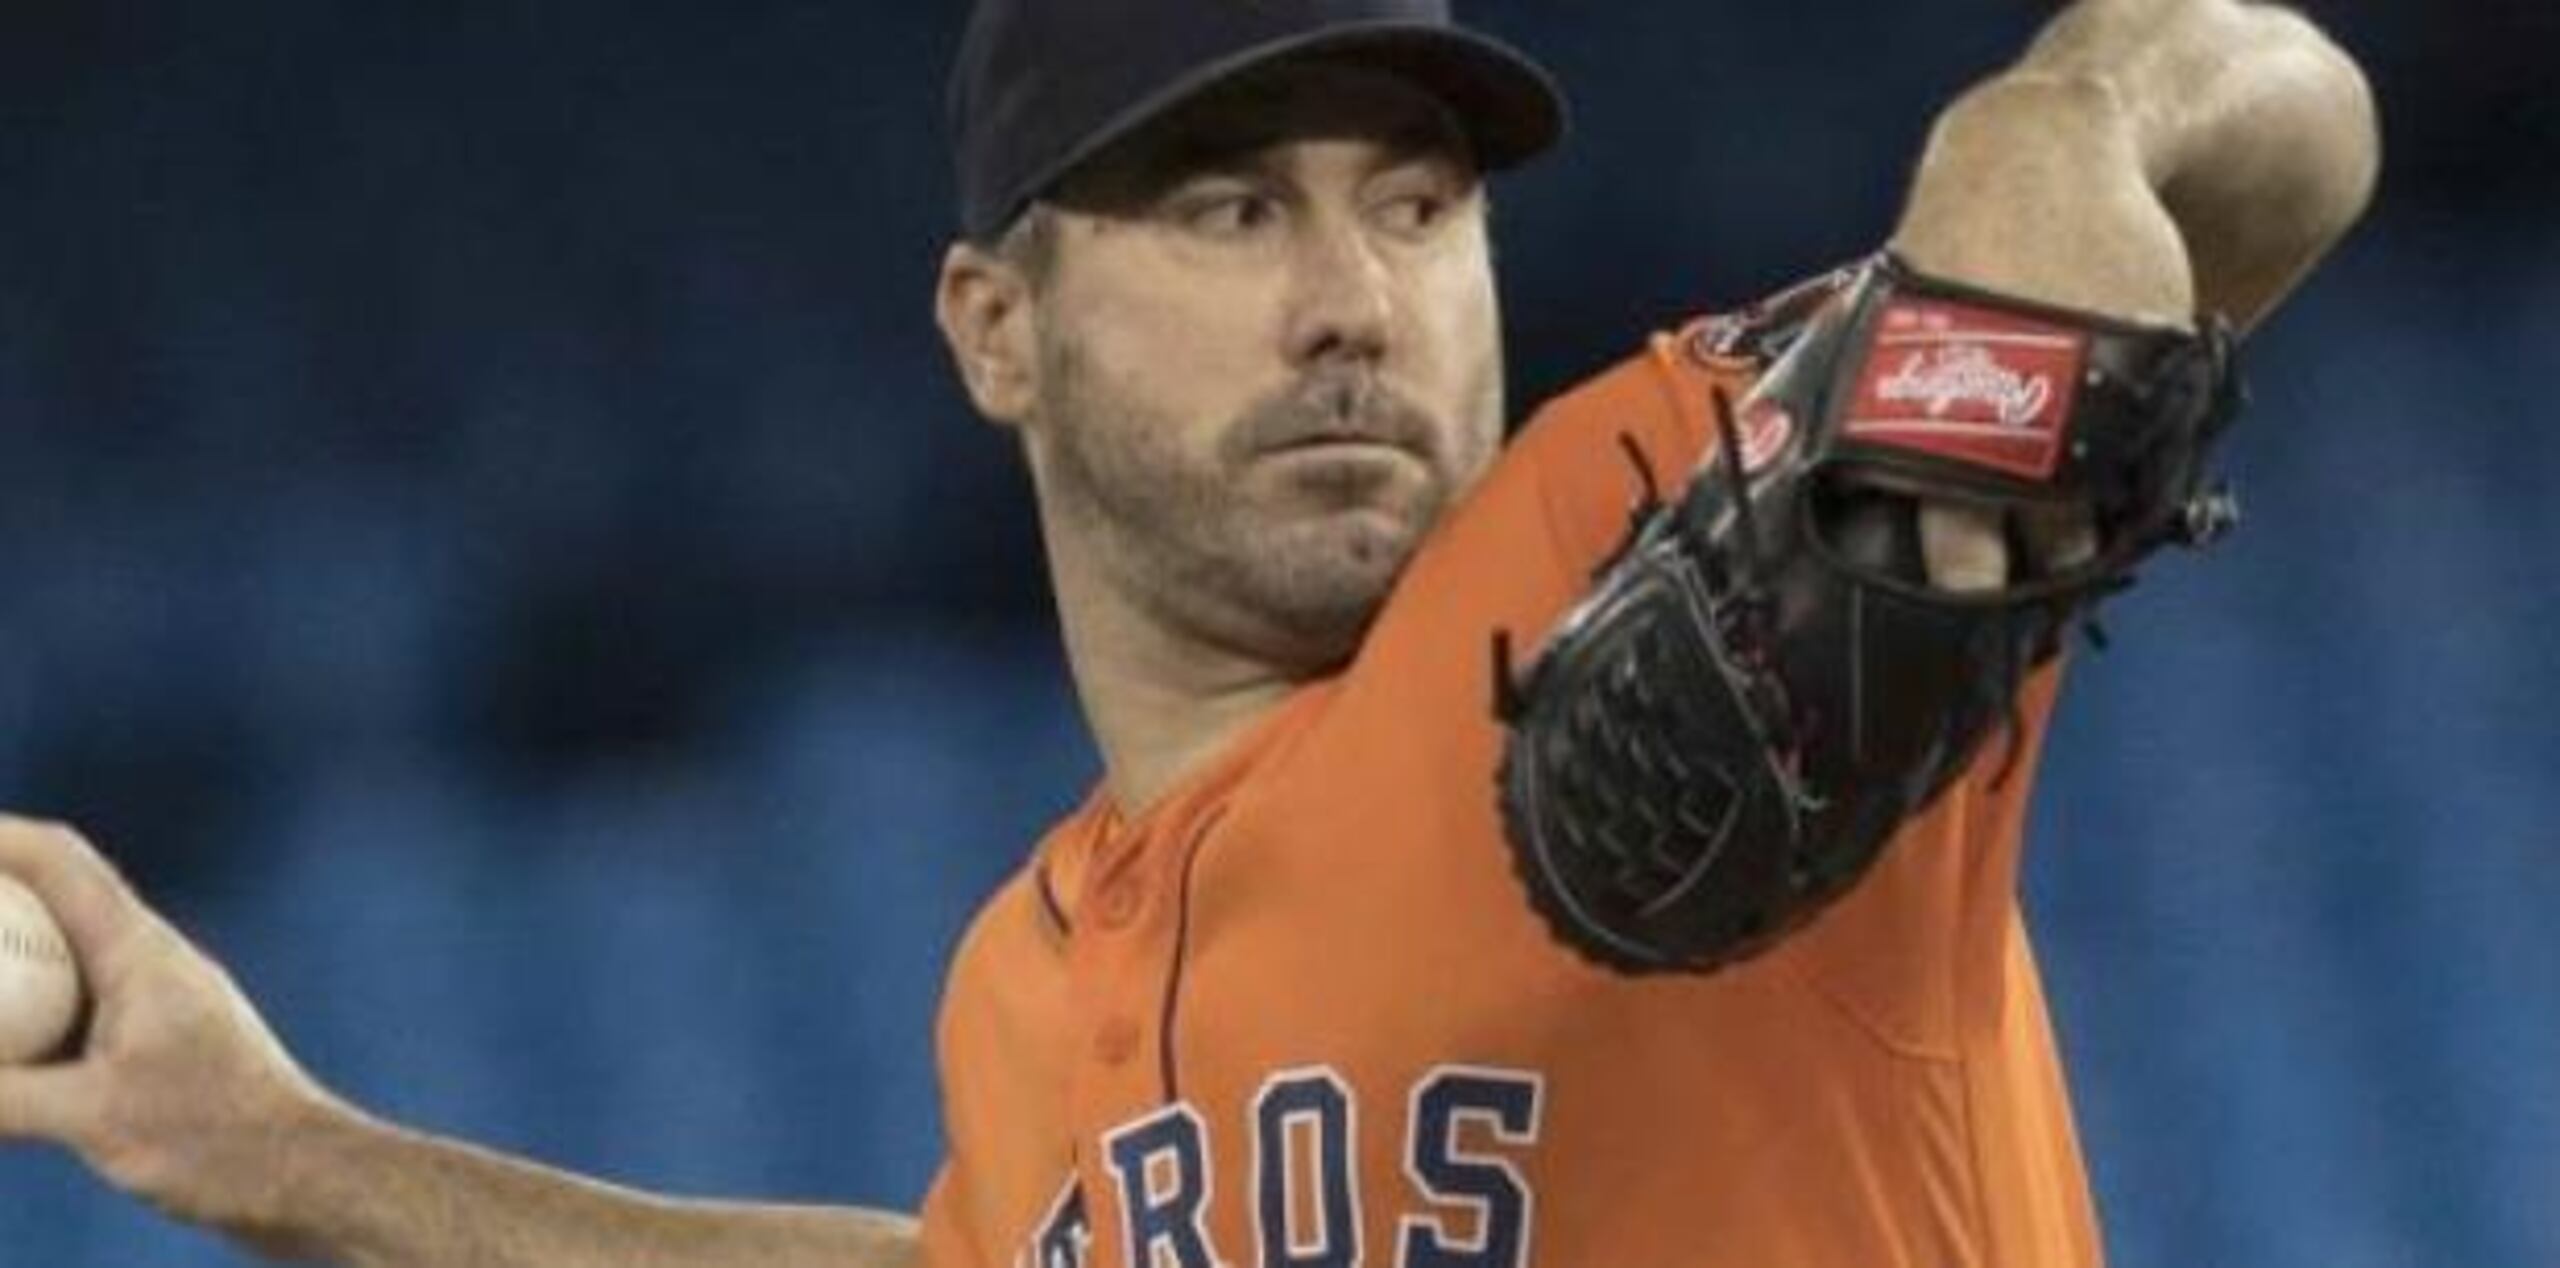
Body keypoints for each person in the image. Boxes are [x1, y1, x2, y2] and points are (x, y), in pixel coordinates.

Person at [0, 0, 2375, 1264]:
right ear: (992, 327)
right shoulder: (1021, 991)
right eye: (1230, 210)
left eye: (1415, 205)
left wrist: (2057, 109)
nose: (1351, 301)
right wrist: (282, 1153)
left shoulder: (1643, 506)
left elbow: (2263, 141)